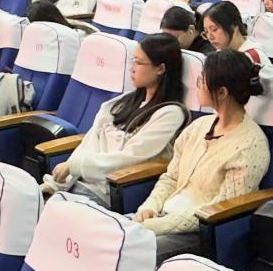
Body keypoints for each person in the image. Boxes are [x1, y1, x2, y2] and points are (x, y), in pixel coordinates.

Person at [133, 50, 269, 261]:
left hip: (198, 232)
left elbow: (219, 209)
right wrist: (150, 205)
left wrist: (161, 225)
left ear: (221, 92)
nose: (197, 85)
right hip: (162, 216)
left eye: (202, 81)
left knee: (132, 252)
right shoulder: (198, 127)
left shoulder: (250, 145)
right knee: (111, 235)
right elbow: (171, 178)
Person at [45, 34, 188, 206]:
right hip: (78, 182)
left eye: (139, 63)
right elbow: (90, 141)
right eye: (133, 61)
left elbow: (131, 157)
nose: (132, 69)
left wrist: (76, 166)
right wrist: (58, 183)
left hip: (105, 190)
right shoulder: (122, 102)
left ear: (160, 69)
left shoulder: (170, 113)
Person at [201, 1, 266, 65]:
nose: (210, 37)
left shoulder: (253, 58)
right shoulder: (218, 54)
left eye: (214, 29)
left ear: (233, 27)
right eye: (206, 32)